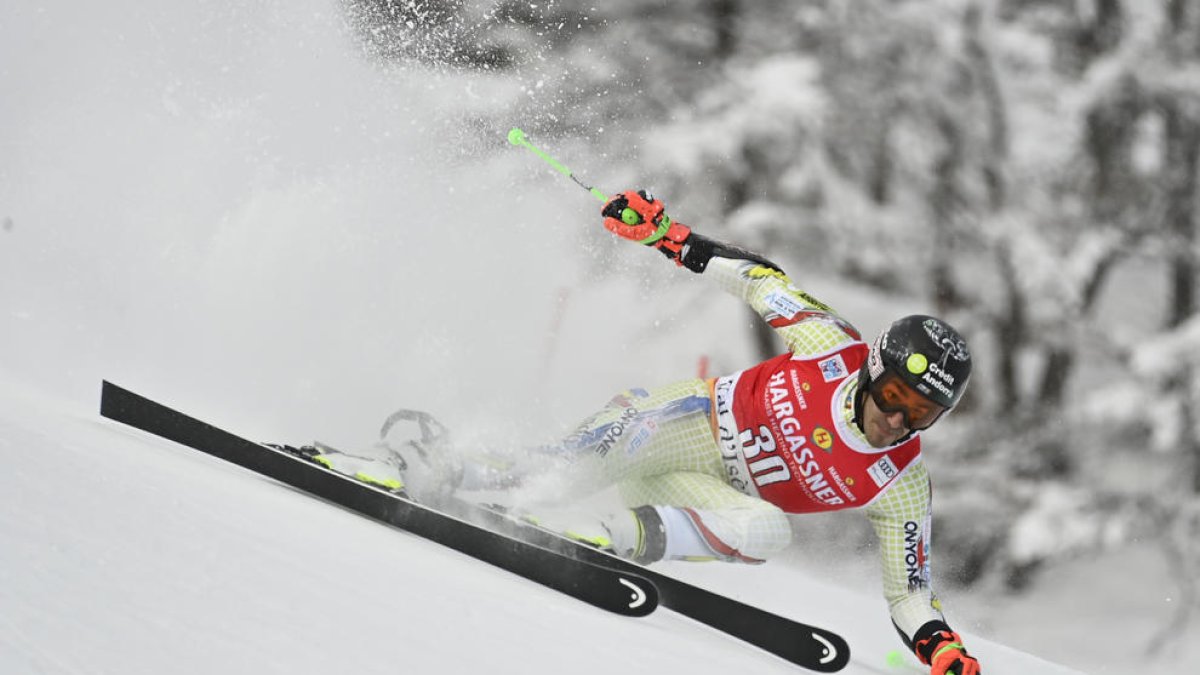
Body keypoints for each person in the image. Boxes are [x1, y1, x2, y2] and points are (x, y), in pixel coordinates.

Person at [314, 189, 982, 675]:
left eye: (920, 412)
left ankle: (601, 541)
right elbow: (759, 280)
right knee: (569, 462)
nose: (896, 419)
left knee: (770, 531)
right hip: (682, 426)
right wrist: (670, 235)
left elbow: (909, 589)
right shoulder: (828, 344)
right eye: (895, 395)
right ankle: (427, 464)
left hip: (694, 491)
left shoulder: (901, 480)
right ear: (873, 371)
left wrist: (942, 649)